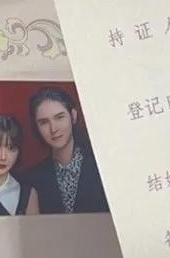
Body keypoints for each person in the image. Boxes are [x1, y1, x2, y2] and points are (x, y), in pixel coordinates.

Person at [25, 86, 109, 214]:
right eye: (44, 122)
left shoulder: (103, 166)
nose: (53, 129)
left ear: (73, 115)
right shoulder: (33, 178)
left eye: (59, 117)